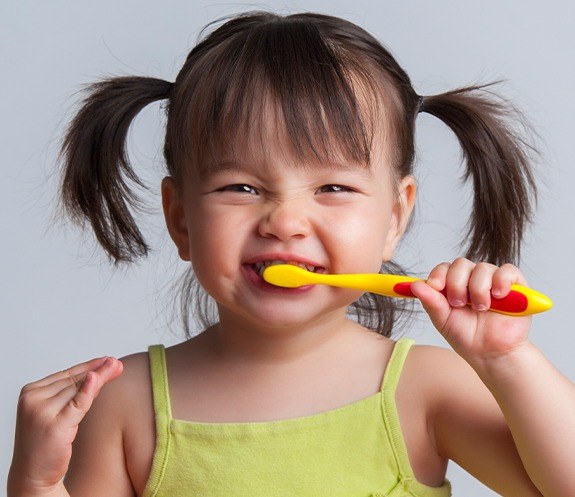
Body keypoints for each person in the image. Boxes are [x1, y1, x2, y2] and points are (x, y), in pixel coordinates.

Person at [8, 11, 575, 497]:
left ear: (394, 217)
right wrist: (34, 483)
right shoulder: (122, 406)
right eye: (241, 187)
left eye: (333, 188)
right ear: (180, 218)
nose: (284, 221)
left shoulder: (424, 390)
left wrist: (504, 361)